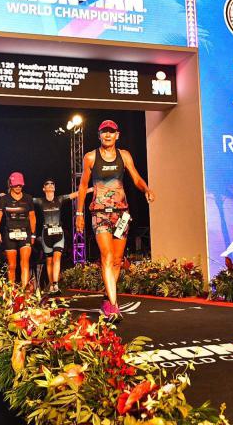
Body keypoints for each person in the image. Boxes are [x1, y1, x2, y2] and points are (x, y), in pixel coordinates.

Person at [76, 119, 155, 321]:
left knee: (118, 260)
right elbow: (83, 186)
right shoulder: (90, 157)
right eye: (104, 132)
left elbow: (136, 178)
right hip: (100, 213)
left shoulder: (124, 155)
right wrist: (79, 214)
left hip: (121, 214)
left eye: (111, 132)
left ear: (117, 135)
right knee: (107, 256)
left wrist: (146, 189)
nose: (108, 135)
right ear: (99, 135)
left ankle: (106, 298)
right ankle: (113, 305)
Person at [32, 179, 92, 295]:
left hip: (59, 233)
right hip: (46, 233)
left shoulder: (59, 199)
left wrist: (89, 189)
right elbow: (25, 199)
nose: (50, 185)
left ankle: (55, 284)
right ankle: (51, 285)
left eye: (52, 184)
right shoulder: (40, 201)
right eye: (47, 184)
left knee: (57, 258)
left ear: (54, 187)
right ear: (44, 188)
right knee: (49, 261)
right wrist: (8, 197)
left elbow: (75, 194)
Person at [0, 172, 37, 288]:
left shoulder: (28, 198)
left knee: (25, 263)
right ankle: (11, 291)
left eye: (20, 185)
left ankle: (24, 290)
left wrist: (33, 234)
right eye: (16, 185)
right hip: (10, 233)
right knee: (12, 265)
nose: (18, 187)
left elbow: (32, 217)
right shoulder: (4, 199)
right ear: (11, 185)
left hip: (25, 233)